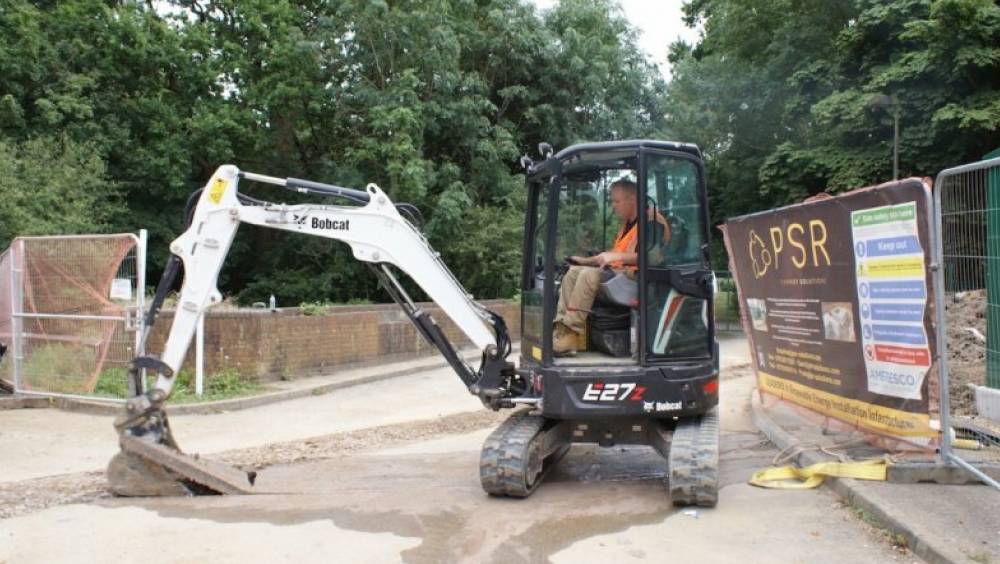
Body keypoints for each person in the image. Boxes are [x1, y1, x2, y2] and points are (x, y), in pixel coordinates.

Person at [553, 179, 670, 356]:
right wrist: (583, 261)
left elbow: (653, 258)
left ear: (632, 199)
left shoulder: (653, 221)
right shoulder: (627, 224)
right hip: (621, 276)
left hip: (641, 280)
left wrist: (617, 257)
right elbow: (612, 258)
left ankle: (571, 334)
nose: (613, 206)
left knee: (588, 276)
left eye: (616, 201)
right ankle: (561, 332)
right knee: (573, 272)